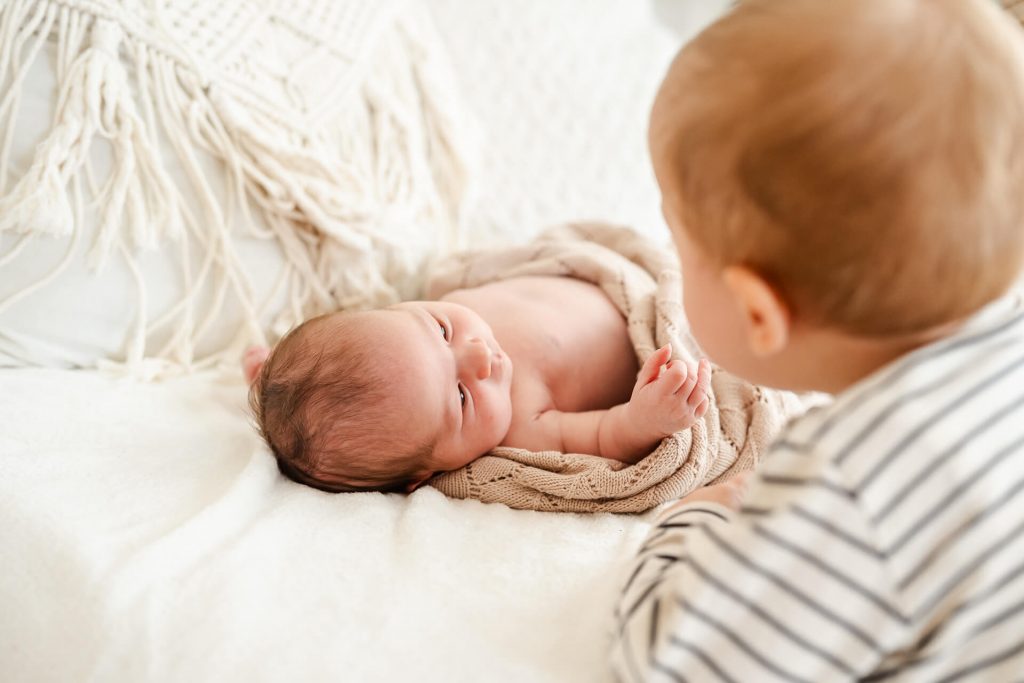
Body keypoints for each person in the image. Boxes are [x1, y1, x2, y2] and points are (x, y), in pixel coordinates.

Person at [612, 0, 1024, 679]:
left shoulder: (852, 481)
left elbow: (679, 660)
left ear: (759, 312)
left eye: (678, 242)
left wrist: (696, 518)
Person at [245, 275, 711, 493]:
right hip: (654, 322)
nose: (479, 357)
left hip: (607, 272)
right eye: (462, 396)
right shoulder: (520, 427)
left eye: (441, 330)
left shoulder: (401, 337)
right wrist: (647, 416)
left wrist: (280, 378)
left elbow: (354, 355)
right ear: (425, 473)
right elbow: (607, 437)